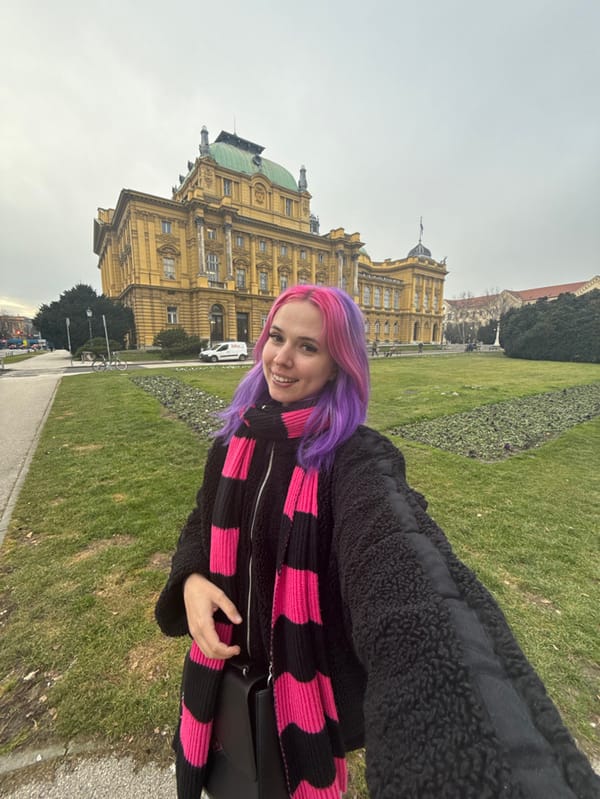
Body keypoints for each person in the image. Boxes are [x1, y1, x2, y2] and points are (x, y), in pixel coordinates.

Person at [155, 285, 599, 799]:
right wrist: (189, 578)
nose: (282, 358)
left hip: (297, 699)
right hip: (221, 683)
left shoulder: (353, 460)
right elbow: (201, 519)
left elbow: (400, 559)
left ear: (338, 365)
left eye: (308, 346)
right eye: (277, 337)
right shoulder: (233, 441)